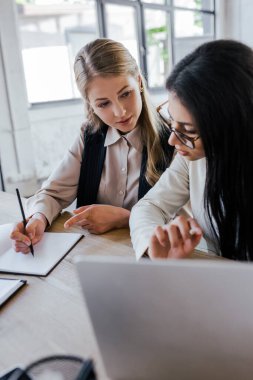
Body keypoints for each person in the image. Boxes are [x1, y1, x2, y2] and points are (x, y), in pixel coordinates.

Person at [11, 38, 174, 253]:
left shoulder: (173, 139)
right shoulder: (89, 136)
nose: (120, 112)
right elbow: (52, 194)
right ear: (90, 105)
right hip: (94, 253)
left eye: (126, 94)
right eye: (103, 103)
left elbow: (184, 225)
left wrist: (125, 219)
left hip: (148, 259)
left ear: (139, 82)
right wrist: (38, 218)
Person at [130, 39, 253, 262]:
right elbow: (149, 206)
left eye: (187, 130)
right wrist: (155, 245)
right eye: (172, 123)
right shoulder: (193, 159)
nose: (173, 141)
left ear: (231, 126)